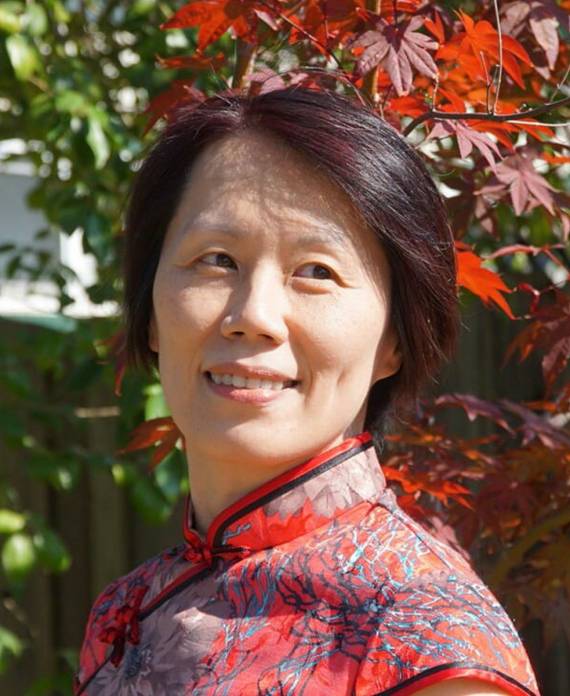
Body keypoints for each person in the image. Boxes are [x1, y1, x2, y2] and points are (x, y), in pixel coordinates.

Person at [74, 87, 539, 696]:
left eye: (317, 271)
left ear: (396, 340)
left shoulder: (428, 642)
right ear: (151, 312)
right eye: (216, 260)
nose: (254, 315)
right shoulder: (125, 612)